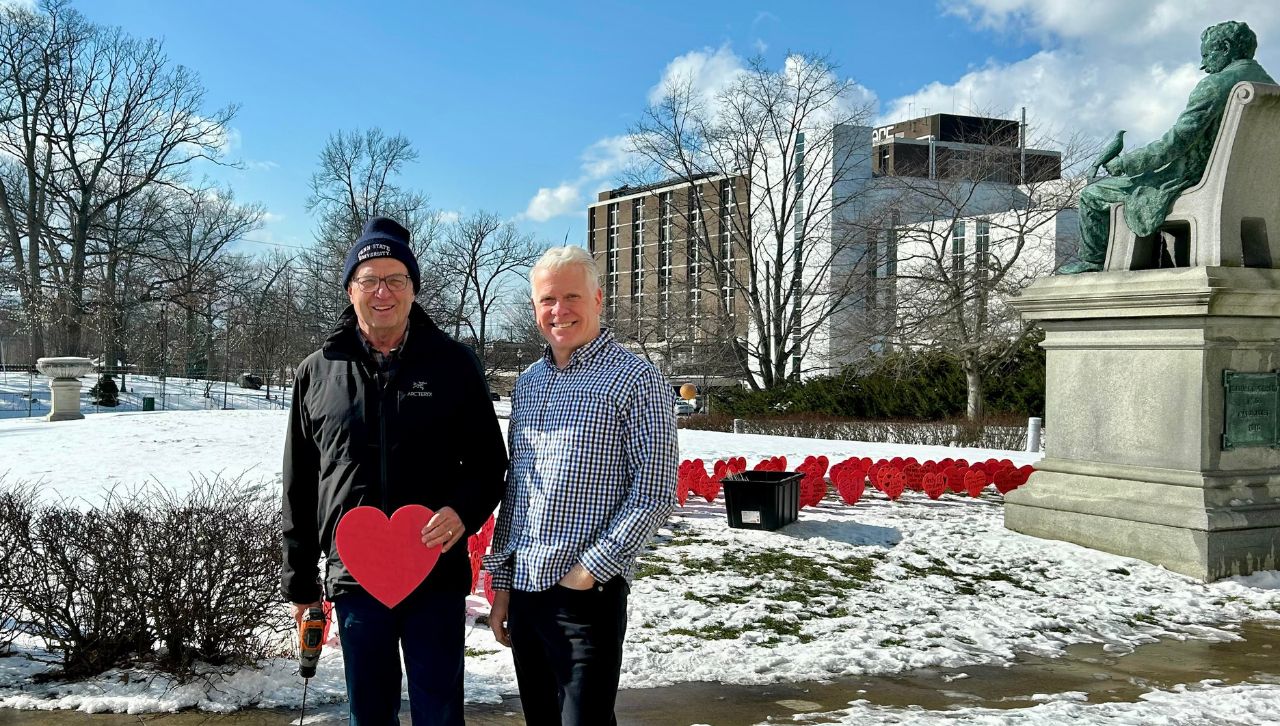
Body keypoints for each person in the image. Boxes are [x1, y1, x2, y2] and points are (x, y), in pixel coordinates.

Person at [282, 216, 508, 725]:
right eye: (369, 280)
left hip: (435, 568)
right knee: (370, 710)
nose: (382, 291)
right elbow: (298, 483)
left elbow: (490, 463)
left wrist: (462, 511)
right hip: (354, 575)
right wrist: (299, 584)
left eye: (396, 279)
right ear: (350, 289)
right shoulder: (317, 371)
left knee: (439, 710)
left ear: (413, 289)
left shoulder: (453, 363)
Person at [483, 246, 678, 725]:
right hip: (526, 592)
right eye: (547, 299)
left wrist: (590, 571)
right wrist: (502, 584)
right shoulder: (528, 383)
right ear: (534, 308)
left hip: (585, 594)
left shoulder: (636, 379)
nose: (559, 310)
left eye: (572, 296)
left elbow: (655, 490)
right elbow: (519, 491)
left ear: (597, 298)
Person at [1062, 20, 1274, 273]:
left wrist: (1125, 164)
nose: (1203, 65)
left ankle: (1092, 263)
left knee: (1092, 195)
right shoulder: (1271, 87)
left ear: (1226, 48)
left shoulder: (1215, 85)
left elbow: (1174, 144)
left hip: (1194, 180)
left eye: (1207, 55)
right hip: (1251, 187)